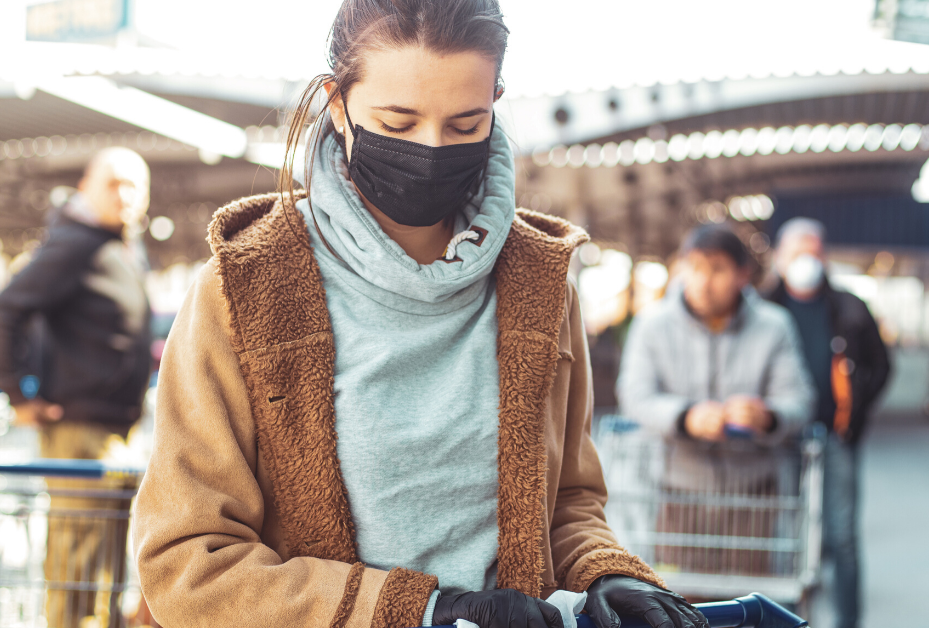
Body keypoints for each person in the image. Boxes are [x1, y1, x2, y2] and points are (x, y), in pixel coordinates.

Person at [131, 2, 708, 628]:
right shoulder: (245, 289)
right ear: (336, 103)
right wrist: (421, 613)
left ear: (496, 101)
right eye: (397, 122)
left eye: (466, 125)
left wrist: (607, 572)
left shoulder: (540, 285)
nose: (432, 149)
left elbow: (567, 502)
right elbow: (188, 562)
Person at [0, 147, 154, 628]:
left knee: (105, 567)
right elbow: (5, 310)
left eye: (133, 185)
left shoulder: (117, 245)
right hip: (81, 432)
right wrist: (18, 395)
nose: (124, 195)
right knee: (79, 569)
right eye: (112, 183)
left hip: (116, 431)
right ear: (85, 188)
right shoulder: (76, 244)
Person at [616, 225, 815, 575]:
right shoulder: (653, 325)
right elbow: (634, 395)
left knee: (745, 603)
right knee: (678, 602)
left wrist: (767, 416)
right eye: (694, 267)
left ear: (743, 275)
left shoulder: (774, 326)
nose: (702, 281)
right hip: (677, 492)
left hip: (752, 498)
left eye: (717, 269)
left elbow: (799, 399)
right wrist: (684, 416)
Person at [763, 218, 890, 628]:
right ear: (780, 258)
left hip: (835, 437)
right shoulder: (763, 307)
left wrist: (853, 412)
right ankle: (786, 618)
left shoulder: (850, 306)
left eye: (814, 251)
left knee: (843, 536)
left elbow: (882, 365)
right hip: (779, 437)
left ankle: (848, 620)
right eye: (797, 251)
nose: (807, 260)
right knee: (784, 534)